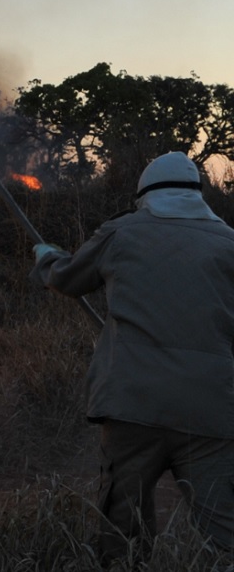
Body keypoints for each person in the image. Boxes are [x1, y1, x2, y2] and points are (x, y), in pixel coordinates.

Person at [31, 151, 234, 562]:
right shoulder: (229, 242)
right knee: (226, 533)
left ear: (145, 195)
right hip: (211, 410)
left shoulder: (121, 232)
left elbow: (67, 278)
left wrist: (46, 258)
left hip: (132, 406)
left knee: (122, 533)